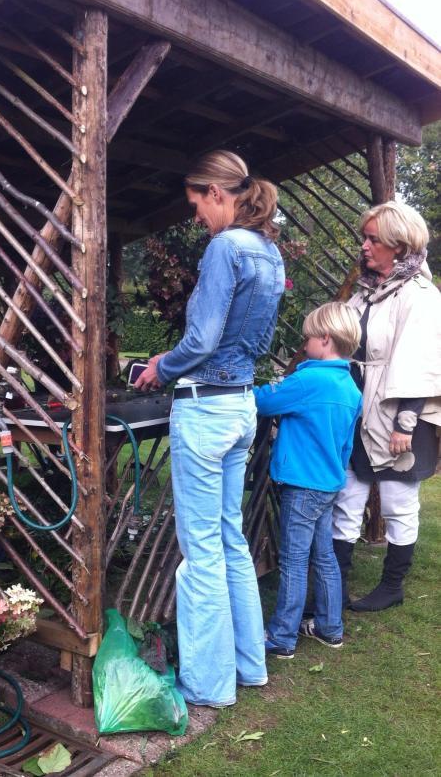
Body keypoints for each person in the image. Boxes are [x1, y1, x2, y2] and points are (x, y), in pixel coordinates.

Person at [135, 150, 285, 707]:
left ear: (216, 193)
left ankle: (207, 684)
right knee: (230, 540)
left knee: (200, 550)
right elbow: (250, 341)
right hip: (241, 404)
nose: (196, 214)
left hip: (205, 408)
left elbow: (199, 342)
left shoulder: (225, 247)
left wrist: (160, 367)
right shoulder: (268, 252)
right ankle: (249, 665)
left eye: (197, 202)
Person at [332, 201, 441, 612]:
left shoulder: (421, 296)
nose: (364, 246)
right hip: (360, 410)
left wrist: (405, 422)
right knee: (347, 495)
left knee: (397, 502)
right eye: (365, 237)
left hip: (398, 414)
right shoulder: (368, 294)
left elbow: (421, 361)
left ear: (398, 246)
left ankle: (392, 585)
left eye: (373, 239)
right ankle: (335, 586)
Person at [254, 303, 362, 658]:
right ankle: (330, 628)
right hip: (329, 484)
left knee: (294, 560)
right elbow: (346, 444)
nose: (305, 343)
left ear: (325, 339)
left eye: (308, 337)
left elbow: (263, 402)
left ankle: (282, 637)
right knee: (325, 556)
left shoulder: (308, 380)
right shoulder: (350, 388)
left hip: (301, 486)